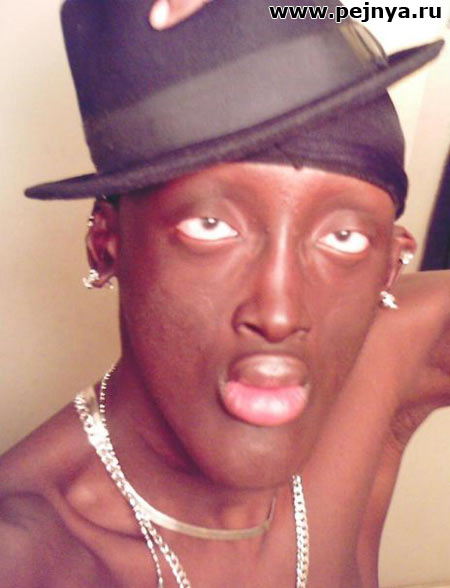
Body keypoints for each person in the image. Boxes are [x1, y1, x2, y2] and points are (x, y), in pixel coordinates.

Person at [0, 1, 449, 586]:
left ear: (390, 264)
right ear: (107, 244)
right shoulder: (28, 557)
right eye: (209, 226)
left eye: (344, 238)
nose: (280, 314)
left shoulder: (385, 361)